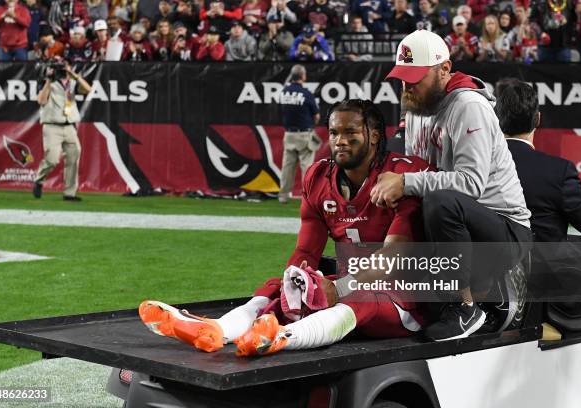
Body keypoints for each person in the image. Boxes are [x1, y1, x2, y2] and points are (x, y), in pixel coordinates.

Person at [139, 99, 432, 355]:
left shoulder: (401, 174)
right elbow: (306, 249)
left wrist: (338, 289)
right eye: (334, 133)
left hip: (403, 297)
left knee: (361, 297)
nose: (340, 141)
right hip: (349, 284)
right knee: (281, 288)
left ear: (375, 136)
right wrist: (297, 282)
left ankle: (281, 338)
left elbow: (396, 254)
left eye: (350, 132)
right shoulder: (319, 177)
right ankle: (218, 330)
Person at [371, 30, 532, 341]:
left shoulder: (468, 105)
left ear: (444, 69)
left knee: (439, 200)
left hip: (505, 230)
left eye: (415, 77)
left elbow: (470, 184)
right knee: (410, 201)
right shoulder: (417, 106)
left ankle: (464, 307)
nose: (407, 85)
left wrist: (405, 182)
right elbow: (417, 169)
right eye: (403, 77)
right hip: (459, 228)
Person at [494, 79, 581, 242]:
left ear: (496, 119)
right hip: (546, 266)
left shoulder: (473, 169)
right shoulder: (559, 172)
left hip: (488, 264)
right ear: (537, 119)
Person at [33, 58, 92, 201]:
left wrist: (74, 75)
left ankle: (69, 193)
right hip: (52, 126)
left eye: (63, 66)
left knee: (73, 156)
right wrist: (48, 80)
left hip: (69, 126)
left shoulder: (72, 82)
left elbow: (88, 90)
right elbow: (41, 101)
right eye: (58, 67)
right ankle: (39, 180)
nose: (61, 69)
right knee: (52, 159)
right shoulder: (45, 81)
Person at [277, 64, 320, 204]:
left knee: (287, 167)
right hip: (304, 135)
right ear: (303, 76)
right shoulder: (306, 93)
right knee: (306, 168)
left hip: (289, 134)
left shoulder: (284, 92)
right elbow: (316, 116)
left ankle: (283, 196)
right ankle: (307, 198)